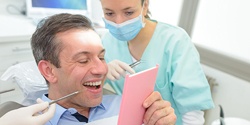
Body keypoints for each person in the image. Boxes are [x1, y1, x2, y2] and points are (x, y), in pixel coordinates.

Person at [31, 13, 176, 125]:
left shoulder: (129, 106)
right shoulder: (30, 121)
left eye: (101, 58)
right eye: (83, 60)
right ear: (49, 71)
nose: (101, 69)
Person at [100, 0, 214, 124]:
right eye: (110, 13)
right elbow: (91, 89)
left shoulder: (175, 41)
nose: (119, 22)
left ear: (145, 6)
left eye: (128, 12)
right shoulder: (107, 42)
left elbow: (193, 114)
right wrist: (103, 71)